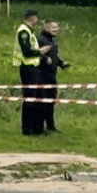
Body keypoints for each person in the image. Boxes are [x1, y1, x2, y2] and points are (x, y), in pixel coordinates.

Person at [13, 8, 51, 136]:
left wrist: (42, 56)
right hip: (27, 67)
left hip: (34, 67)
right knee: (29, 98)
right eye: (36, 17)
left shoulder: (30, 31)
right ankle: (27, 128)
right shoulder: (23, 31)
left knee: (37, 97)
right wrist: (41, 51)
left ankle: (37, 127)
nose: (37, 20)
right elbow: (27, 51)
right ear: (31, 18)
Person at [36, 20, 69, 134]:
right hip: (42, 76)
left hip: (51, 75)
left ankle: (50, 126)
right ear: (46, 28)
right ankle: (40, 127)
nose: (56, 30)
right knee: (43, 102)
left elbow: (54, 56)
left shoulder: (51, 41)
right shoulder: (41, 40)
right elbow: (36, 54)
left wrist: (61, 63)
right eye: (53, 28)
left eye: (57, 27)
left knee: (51, 101)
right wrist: (45, 59)